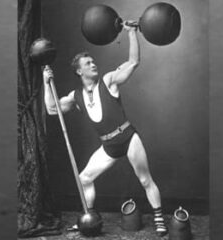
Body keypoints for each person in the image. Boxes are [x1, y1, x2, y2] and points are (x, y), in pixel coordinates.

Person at [43, 21, 167, 236]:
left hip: (128, 138)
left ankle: (158, 219)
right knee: (85, 179)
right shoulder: (76, 96)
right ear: (79, 71)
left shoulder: (109, 81)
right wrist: (46, 83)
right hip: (108, 145)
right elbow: (53, 109)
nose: (93, 65)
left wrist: (131, 32)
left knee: (145, 179)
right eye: (88, 63)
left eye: (93, 61)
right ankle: (88, 218)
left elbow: (133, 62)